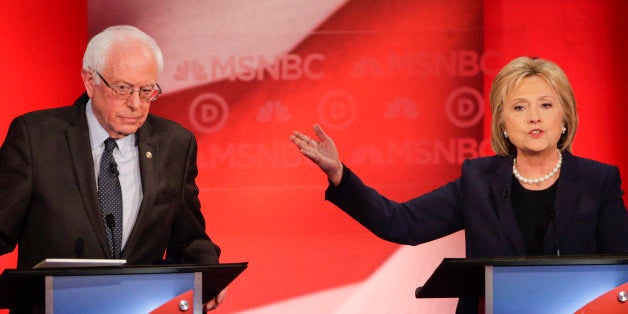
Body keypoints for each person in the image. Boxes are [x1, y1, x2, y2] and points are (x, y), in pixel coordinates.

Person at [289, 56, 628, 313]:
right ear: (504, 122)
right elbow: (401, 223)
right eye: (519, 107)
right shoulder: (478, 181)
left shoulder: (598, 181)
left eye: (546, 105)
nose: (534, 117)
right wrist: (340, 176)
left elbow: (621, 270)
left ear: (565, 118)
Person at [0, 25, 225, 311]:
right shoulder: (36, 137)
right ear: (90, 80)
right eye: (122, 88)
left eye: (146, 91)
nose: (135, 104)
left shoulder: (175, 144)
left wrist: (209, 274)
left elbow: (189, 236)